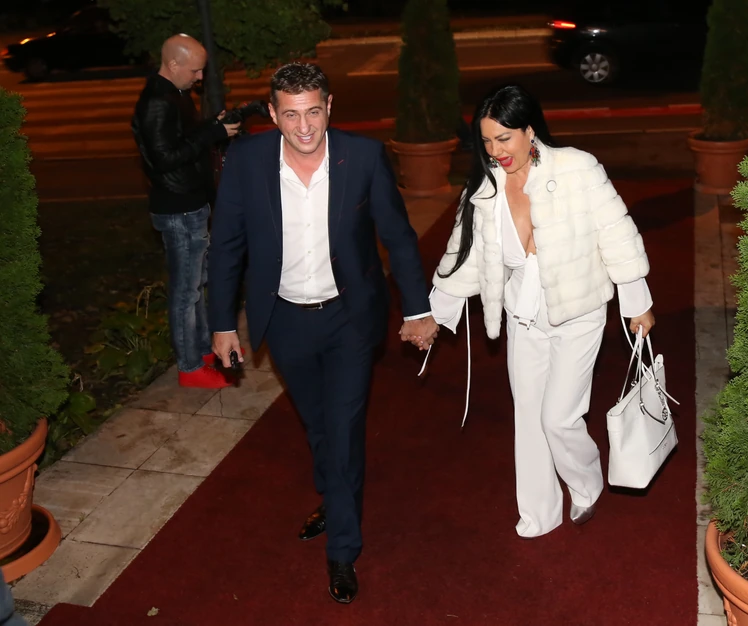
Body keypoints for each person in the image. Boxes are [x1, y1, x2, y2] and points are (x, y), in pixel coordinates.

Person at [207, 62, 439, 604]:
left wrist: (417, 309)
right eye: (291, 115)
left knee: (343, 428)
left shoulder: (363, 156)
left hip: (348, 316)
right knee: (317, 423)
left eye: (313, 111)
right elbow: (227, 246)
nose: (304, 126)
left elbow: (398, 238)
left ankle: (342, 548)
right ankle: (335, 497)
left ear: (329, 106)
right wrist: (221, 322)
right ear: (273, 115)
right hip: (284, 318)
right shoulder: (246, 160)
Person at [421, 84, 655, 538]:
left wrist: (637, 301)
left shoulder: (577, 168)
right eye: (486, 141)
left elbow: (616, 232)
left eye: (503, 139)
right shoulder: (485, 186)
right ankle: (539, 512)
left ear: (529, 131)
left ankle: (585, 482)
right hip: (523, 315)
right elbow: (466, 255)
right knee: (528, 417)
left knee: (558, 418)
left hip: (578, 312)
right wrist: (434, 313)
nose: (495, 151)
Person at [131, 33, 241, 389]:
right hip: (177, 209)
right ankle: (190, 367)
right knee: (185, 292)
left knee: (196, 286)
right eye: (194, 71)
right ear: (173, 64)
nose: (199, 77)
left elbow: (182, 139)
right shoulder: (157, 102)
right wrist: (210, 135)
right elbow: (165, 159)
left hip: (189, 204)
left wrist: (212, 126)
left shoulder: (174, 94)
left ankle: (201, 351)